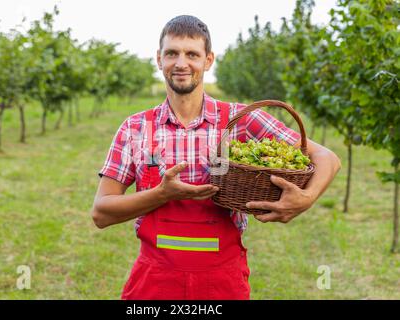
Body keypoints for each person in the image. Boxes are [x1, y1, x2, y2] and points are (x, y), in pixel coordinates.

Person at [91, 15, 341, 300]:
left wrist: (306, 199)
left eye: (192, 54)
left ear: (208, 60)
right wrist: (162, 194)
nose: (181, 63)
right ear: (159, 59)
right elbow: (101, 213)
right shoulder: (136, 128)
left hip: (222, 283)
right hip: (155, 283)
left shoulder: (240, 121)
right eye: (172, 53)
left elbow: (327, 157)